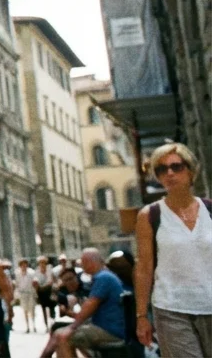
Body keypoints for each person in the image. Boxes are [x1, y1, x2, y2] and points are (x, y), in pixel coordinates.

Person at [135, 142, 212, 356]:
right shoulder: (150, 215)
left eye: (176, 167)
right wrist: (141, 316)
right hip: (171, 309)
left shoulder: (210, 210)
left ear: (191, 171)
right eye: (162, 169)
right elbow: (144, 267)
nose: (169, 173)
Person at [40, 248, 125, 358]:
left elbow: (91, 305)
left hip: (110, 330)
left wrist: (72, 327)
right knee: (59, 333)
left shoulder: (103, 277)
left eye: (83, 262)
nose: (82, 266)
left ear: (91, 262)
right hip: (105, 326)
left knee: (63, 337)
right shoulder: (104, 276)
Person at [12, 259, 40, 333]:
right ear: (20, 265)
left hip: (30, 293)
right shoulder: (17, 273)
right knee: (25, 311)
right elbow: (17, 284)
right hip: (23, 294)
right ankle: (27, 327)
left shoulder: (31, 272)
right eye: (22, 264)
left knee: (32, 310)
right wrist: (16, 294)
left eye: (25, 264)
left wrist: (35, 292)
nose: (24, 266)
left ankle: (34, 326)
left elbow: (35, 282)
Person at [34, 256, 57, 331]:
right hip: (41, 292)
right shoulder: (37, 271)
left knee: (51, 307)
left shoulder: (50, 269)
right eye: (40, 262)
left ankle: (53, 323)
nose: (42, 264)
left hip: (49, 290)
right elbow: (35, 282)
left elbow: (52, 280)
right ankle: (46, 325)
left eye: (43, 262)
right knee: (43, 308)